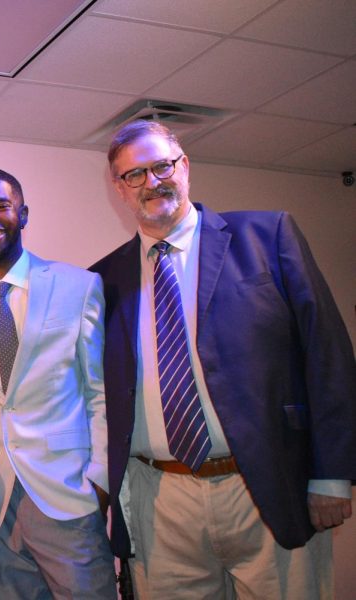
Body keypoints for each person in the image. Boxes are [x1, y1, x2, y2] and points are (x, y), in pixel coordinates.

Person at [90, 119, 356, 599]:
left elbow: (328, 355)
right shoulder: (103, 281)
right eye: (135, 175)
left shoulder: (266, 236)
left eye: (161, 166)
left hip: (266, 482)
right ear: (120, 190)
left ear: (184, 166)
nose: (152, 182)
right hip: (160, 497)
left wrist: (332, 474)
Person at [0, 168, 115, 599]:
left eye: (1, 205)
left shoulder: (78, 286)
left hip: (66, 494)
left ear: (23, 213)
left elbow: (100, 391)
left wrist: (99, 480)